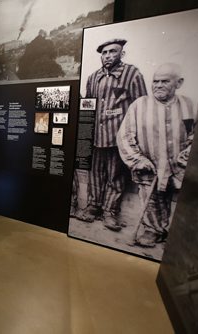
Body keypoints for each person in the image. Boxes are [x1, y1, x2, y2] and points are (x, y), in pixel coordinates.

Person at [117, 63, 198, 245]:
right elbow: (124, 136)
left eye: (165, 81)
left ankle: (167, 231)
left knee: (171, 198)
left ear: (179, 83)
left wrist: (187, 155)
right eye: (155, 81)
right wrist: (137, 160)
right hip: (149, 165)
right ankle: (153, 230)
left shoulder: (191, 106)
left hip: (178, 167)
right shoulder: (139, 105)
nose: (158, 85)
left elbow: (197, 135)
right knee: (151, 198)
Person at [77, 38, 147, 229]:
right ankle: (93, 207)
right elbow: (88, 107)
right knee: (95, 174)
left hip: (119, 139)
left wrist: (135, 140)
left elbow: (141, 107)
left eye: (112, 52)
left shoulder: (132, 74)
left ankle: (110, 212)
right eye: (104, 53)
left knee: (116, 176)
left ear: (121, 53)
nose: (107, 56)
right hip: (96, 137)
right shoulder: (93, 77)